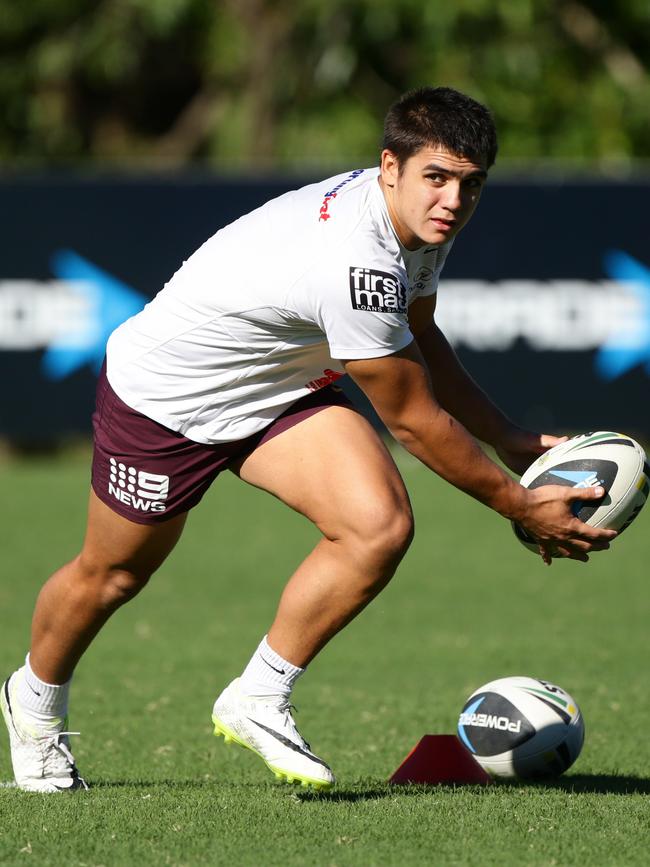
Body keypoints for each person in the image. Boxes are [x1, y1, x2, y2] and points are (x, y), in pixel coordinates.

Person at [1, 86, 615, 793]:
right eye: (436, 178)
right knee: (113, 575)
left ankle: (260, 695)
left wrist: (508, 436)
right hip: (166, 398)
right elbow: (412, 420)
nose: (452, 199)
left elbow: (420, 334)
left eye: (471, 184)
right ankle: (33, 703)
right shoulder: (356, 258)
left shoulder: (417, 224)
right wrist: (519, 504)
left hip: (276, 388)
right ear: (391, 167)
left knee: (377, 525)